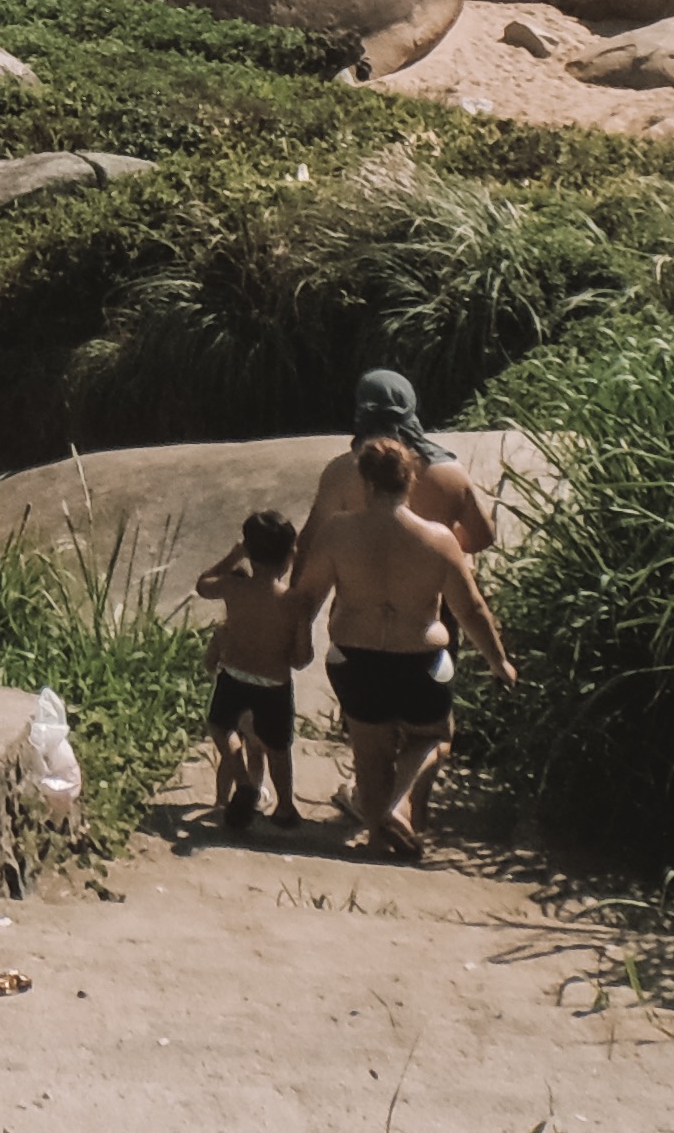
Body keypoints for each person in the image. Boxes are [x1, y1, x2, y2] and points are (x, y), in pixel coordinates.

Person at [288, 438, 514, 862]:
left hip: (353, 661)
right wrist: (498, 660)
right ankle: (401, 802)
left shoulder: (338, 531)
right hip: (422, 663)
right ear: (411, 481)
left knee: (369, 754)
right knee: (436, 737)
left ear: (366, 483)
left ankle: (378, 842)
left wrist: (298, 644)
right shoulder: (440, 539)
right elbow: (472, 610)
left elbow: (308, 596)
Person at [192, 509, 310, 832]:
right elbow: (302, 658)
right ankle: (285, 808)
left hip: (234, 675)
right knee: (277, 748)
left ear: (249, 551)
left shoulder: (233, 586)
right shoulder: (294, 603)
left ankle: (244, 782)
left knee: (221, 728)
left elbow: (203, 585)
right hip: (274, 683)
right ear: (289, 556)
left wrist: (233, 555)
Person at [305, 367, 495, 552]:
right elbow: (482, 538)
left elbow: (309, 543)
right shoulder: (451, 472)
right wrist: (442, 541)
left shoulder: (340, 473)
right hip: (431, 581)